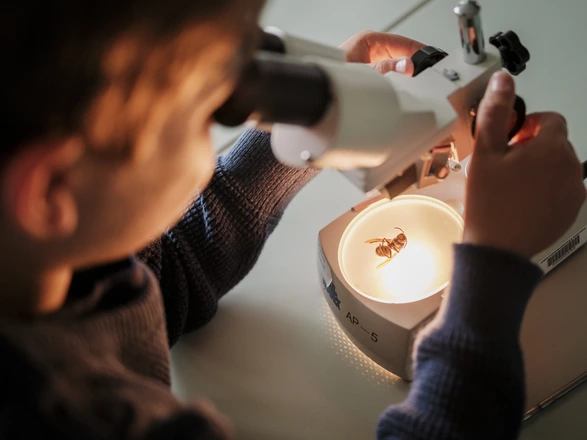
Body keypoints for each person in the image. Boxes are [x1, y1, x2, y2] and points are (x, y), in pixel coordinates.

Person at [0, 0, 583, 439]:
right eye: (205, 112)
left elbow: (166, 274)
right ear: (51, 192)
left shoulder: (46, 261)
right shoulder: (86, 420)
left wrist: (319, 112)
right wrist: (492, 273)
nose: (229, 114)